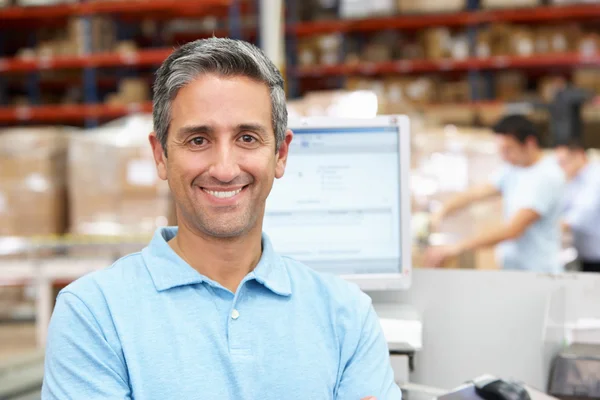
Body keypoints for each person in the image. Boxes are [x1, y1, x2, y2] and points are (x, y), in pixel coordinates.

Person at [41, 38, 399, 400]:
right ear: (161, 155)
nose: (225, 169)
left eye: (247, 137)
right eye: (198, 140)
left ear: (281, 154)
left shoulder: (346, 315)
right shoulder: (94, 315)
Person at [425, 115, 565, 273]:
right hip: (515, 269)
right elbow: (478, 192)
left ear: (530, 143)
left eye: (508, 149)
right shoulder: (514, 168)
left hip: (539, 273)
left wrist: (456, 247)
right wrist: (442, 211)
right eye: (501, 150)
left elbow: (513, 229)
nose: (503, 156)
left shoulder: (546, 177)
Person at [555, 139, 600, 272]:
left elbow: (581, 214)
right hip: (585, 254)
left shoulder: (595, 177)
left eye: (563, 162)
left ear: (579, 155)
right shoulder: (574, 180)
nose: (561, 167)